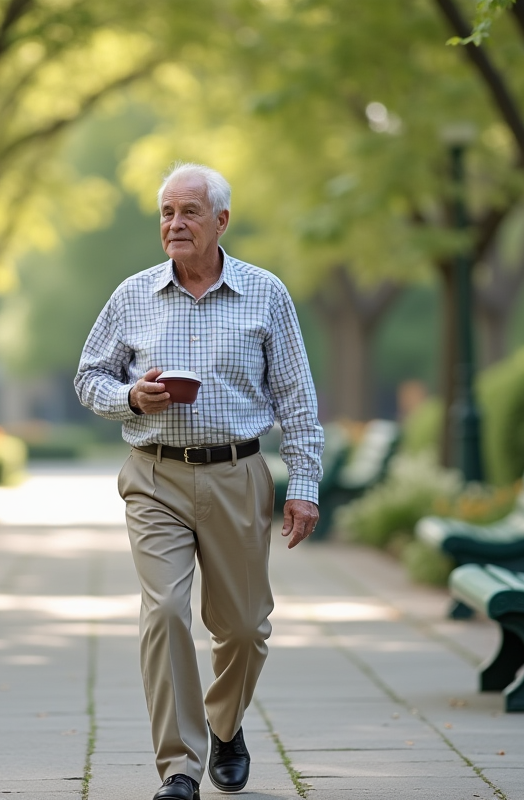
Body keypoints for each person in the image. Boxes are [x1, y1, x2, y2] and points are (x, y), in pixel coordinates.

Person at [74, 163, 324, 800]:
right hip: (154, 477)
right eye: (165, 212)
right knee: (163, 613)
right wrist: (132, 396)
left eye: (188, 212)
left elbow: (297, 397)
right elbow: (88, 377)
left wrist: (305, 485)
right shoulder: (131, 295)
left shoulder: (265, 294)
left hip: (238, 473)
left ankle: (225, 723)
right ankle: (179, 768)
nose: (174, 224)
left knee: (242, 628)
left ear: (221, 220)